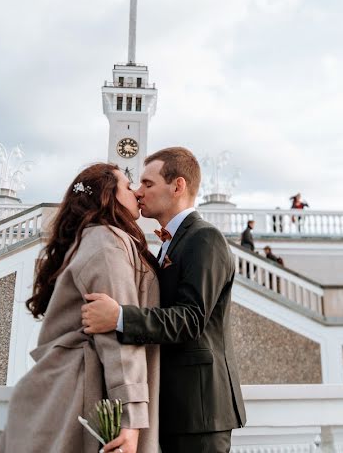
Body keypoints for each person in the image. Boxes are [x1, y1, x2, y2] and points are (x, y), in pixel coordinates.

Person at [81, 147, 246, 452]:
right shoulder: (170, 242)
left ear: (178, 186)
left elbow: (191, 319)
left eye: (147, 184)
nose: (139, 192)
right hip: (176, 407)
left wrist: (119, 317)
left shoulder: (204, 238)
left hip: (200, 411)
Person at [0, 163, 160, 453]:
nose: (136, 192)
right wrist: (130, 420)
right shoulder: (107, 244)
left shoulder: (94, 239)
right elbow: (119, 339)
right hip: (85, 396)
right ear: (107, 196)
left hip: (64, 391)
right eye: (127, 186)